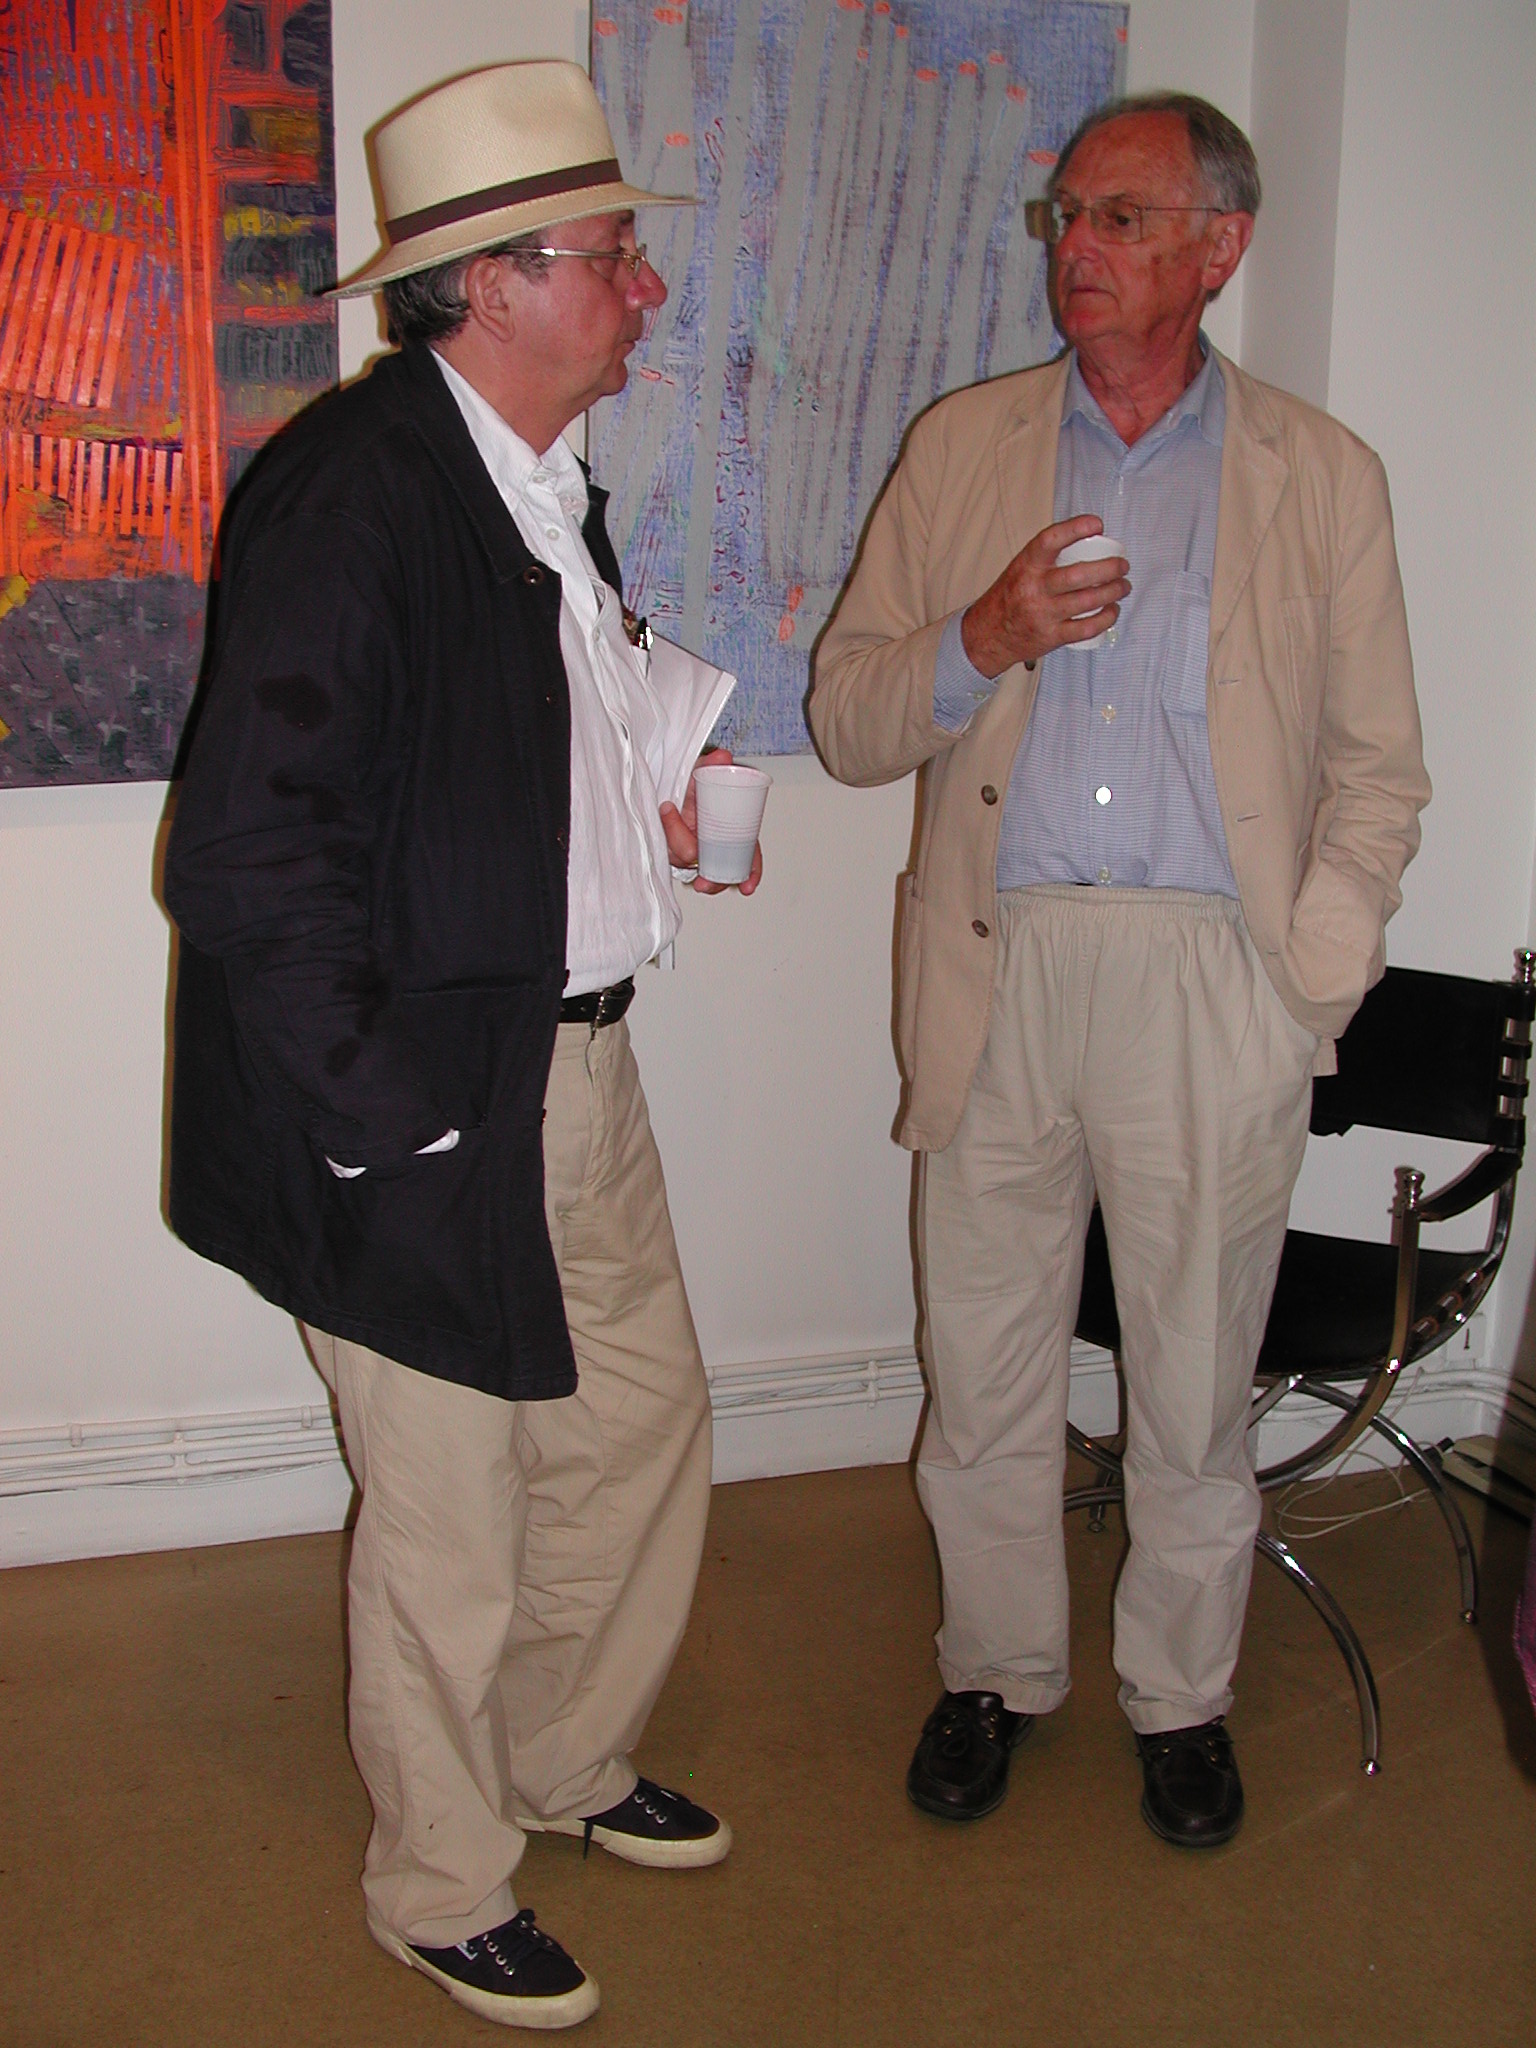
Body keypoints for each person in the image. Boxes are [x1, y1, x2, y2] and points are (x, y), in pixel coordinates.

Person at [163, 61, 759, 2030]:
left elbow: (519, 721)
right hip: (425, 1097)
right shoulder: (358, 492)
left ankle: (560, 1757)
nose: (645, 289)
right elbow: (249, 853)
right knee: (452, 1518)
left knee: (638, 1427)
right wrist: (389, 1124)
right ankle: (439, 1878)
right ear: (497, 284)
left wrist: (656, 805)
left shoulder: (534, 481)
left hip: (573, 1067)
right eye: (614, 258)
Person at [809, 92, 1429, 1848]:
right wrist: (981, 636)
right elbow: (850, 718)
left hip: (1211, 977)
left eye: (1121, 217)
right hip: (999, 960)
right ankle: (996, 1671)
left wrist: (1305, 979)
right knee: (985, 1359)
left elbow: (1379, 770)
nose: (1077, 247)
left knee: (1194, 1373)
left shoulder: (1322, 473)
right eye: (1067, 215)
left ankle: (1182, 1696)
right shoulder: (965, 446)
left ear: (1220, 248)